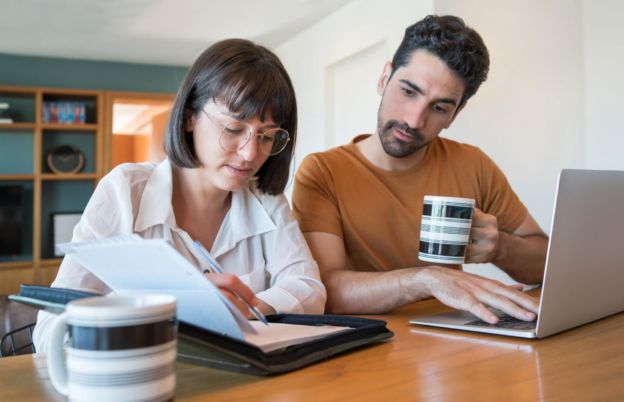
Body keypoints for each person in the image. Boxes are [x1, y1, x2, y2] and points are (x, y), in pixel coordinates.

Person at [34, 39, 326, 352]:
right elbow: (50, 329)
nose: (250, 153)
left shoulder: (266, 200)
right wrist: (172, 307)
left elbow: (309, 289)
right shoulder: (125, 191)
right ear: (189, 117)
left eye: (267, 136)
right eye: (232, 128)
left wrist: (248, 306)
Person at [292, 15, 547, 324]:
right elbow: (324, 290)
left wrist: (501, 248)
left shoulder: (473, 164)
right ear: (384, 77)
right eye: (408, 91)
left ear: (456, 113)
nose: (413, 120)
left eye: (439, 107)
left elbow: (546, 263)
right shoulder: (323, 171)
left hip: (455, 341)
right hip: (368, 348)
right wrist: (426, 280)